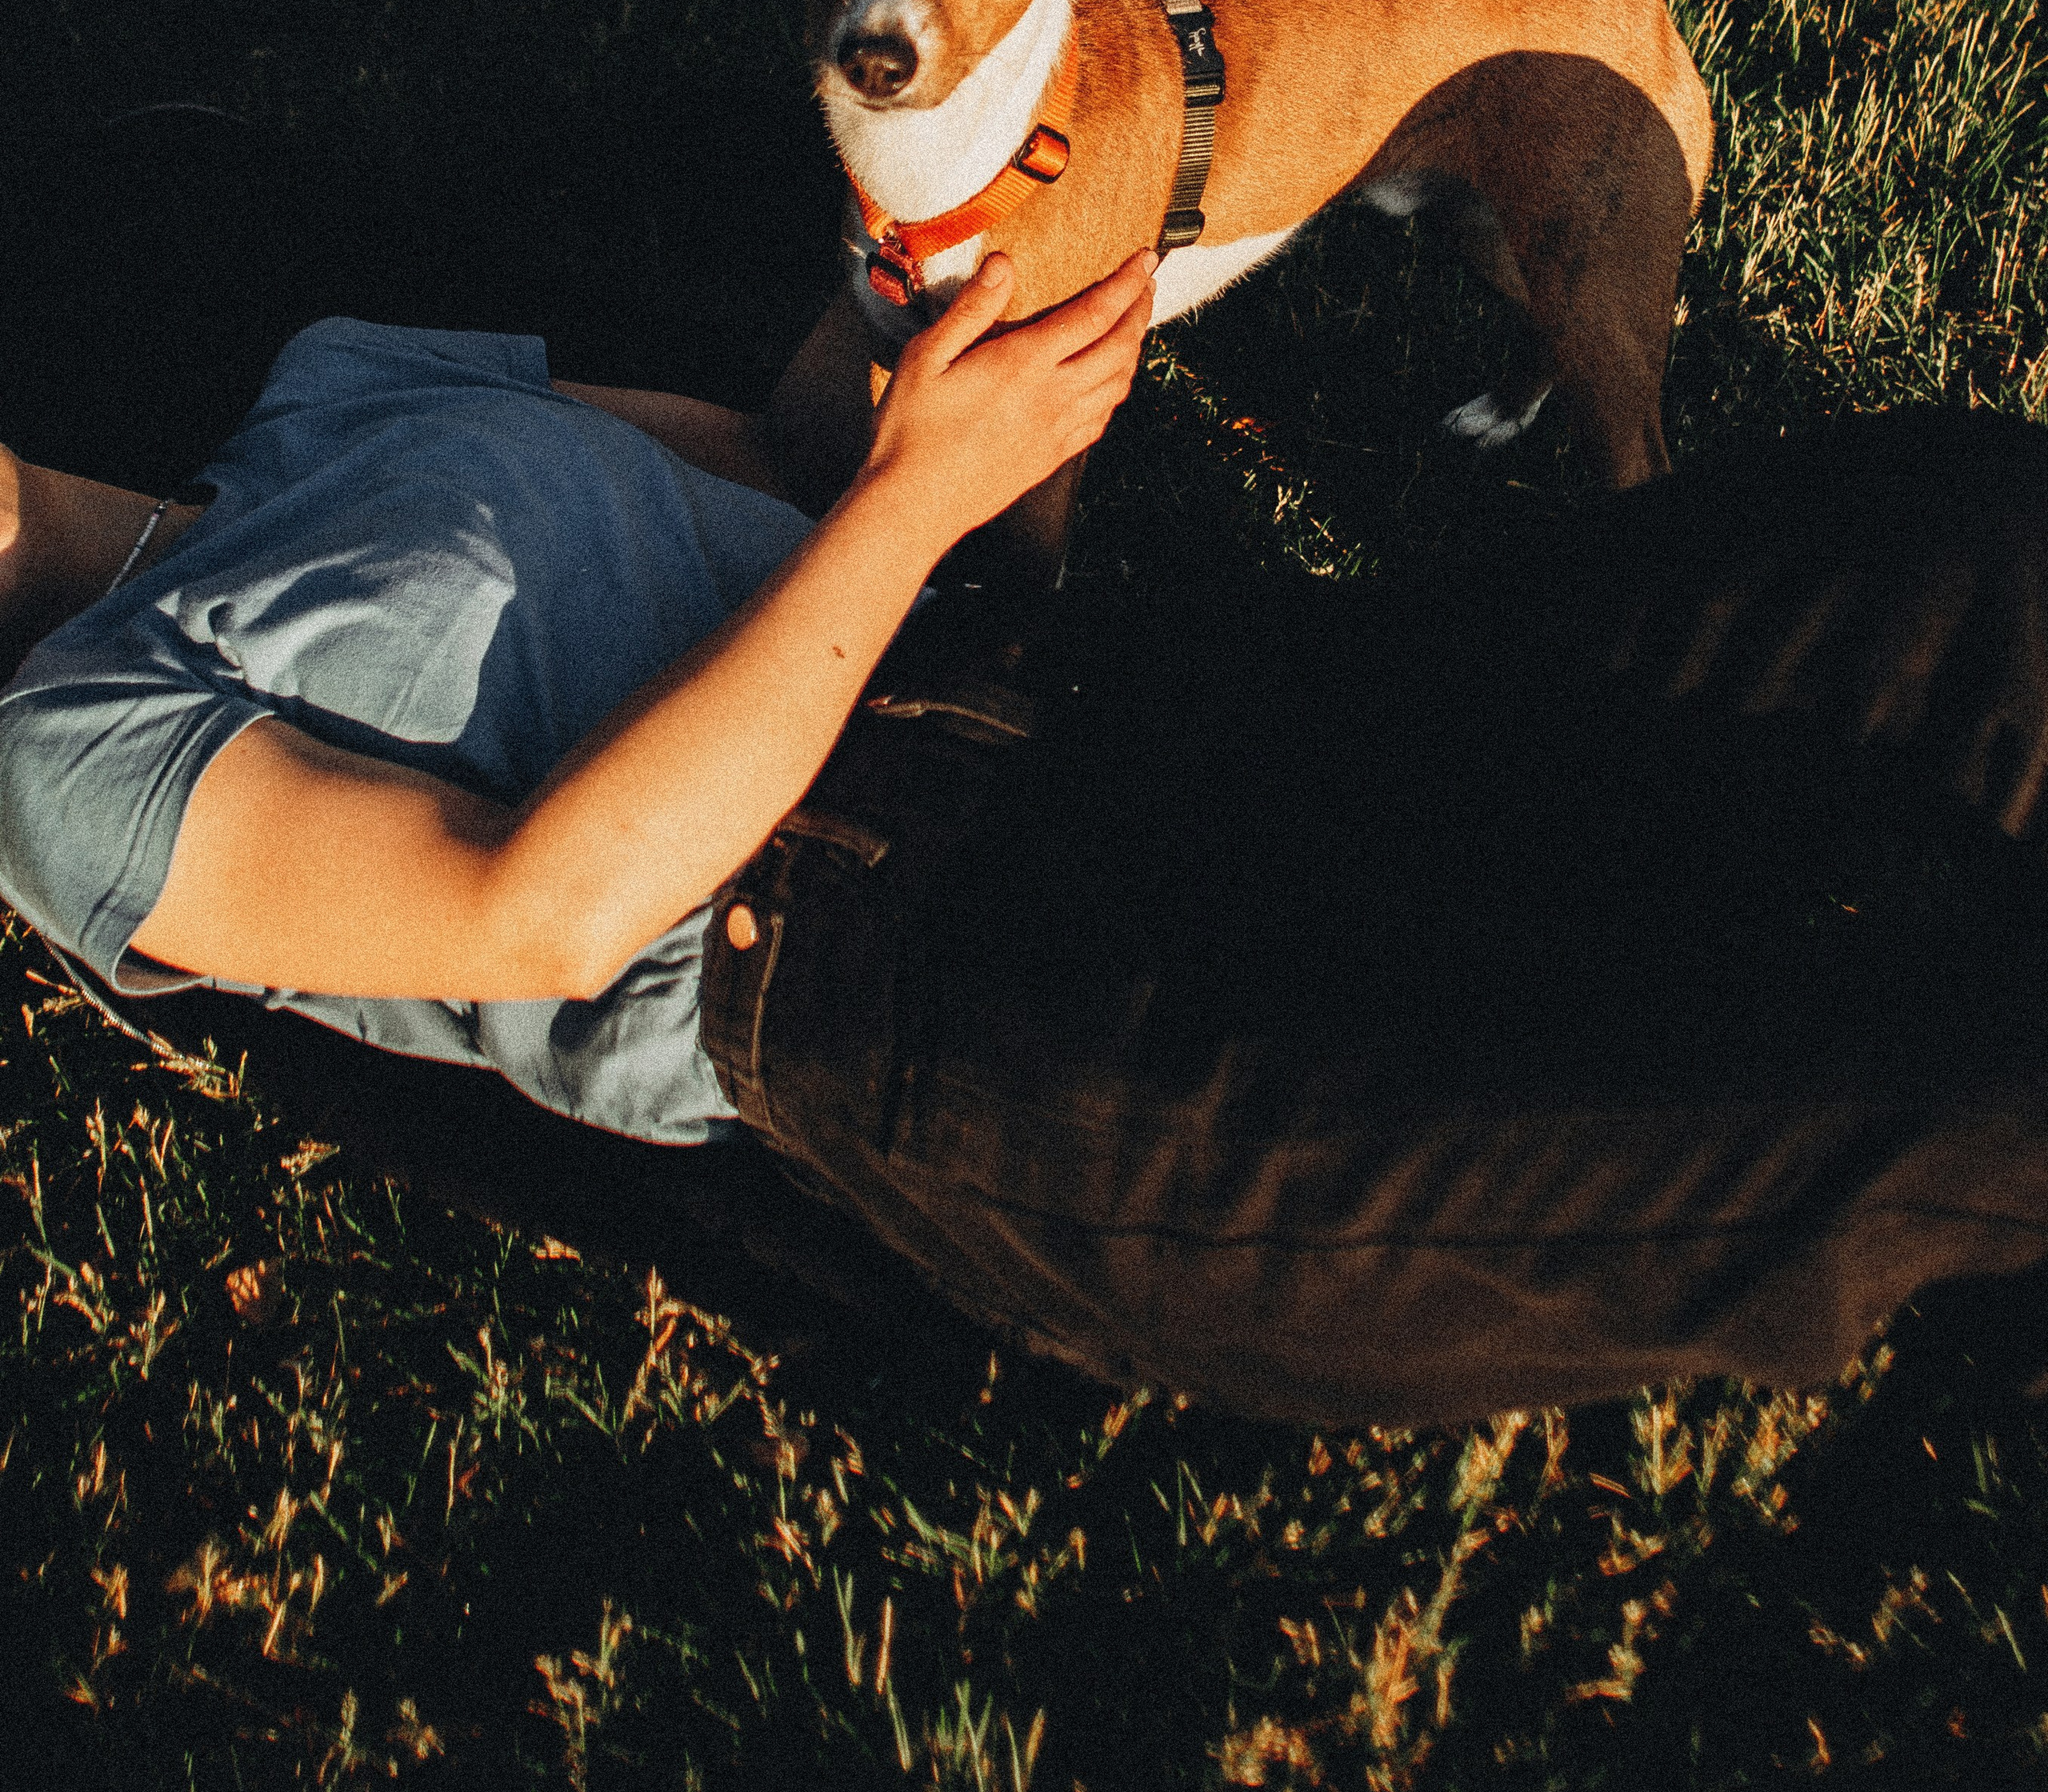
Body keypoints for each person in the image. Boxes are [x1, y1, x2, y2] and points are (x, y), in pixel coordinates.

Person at [10, 250, 2048, 1429]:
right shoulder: (58, 758)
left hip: (1108, 713)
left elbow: (791, 452)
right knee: (1879, 1093)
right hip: (944, 1008)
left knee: (1961, 545)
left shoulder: (325, 392)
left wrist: (913, 251)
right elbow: (537, 912)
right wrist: (909, 509)